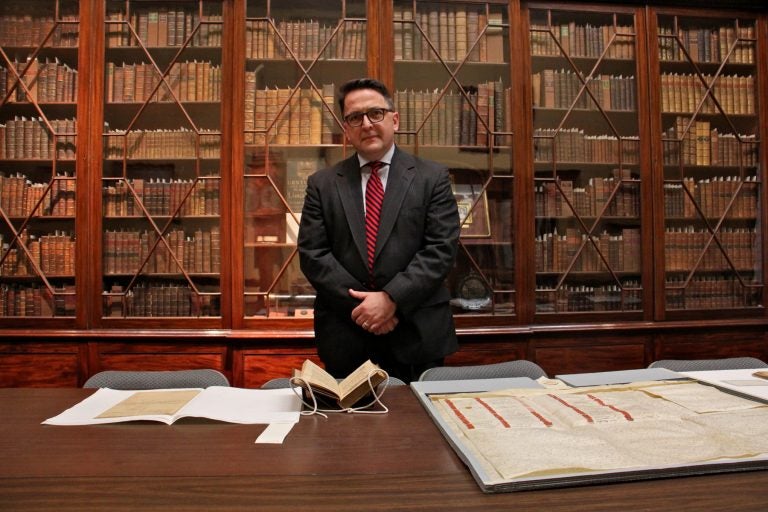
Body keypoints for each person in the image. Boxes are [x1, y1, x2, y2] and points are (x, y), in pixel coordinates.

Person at [297, 78, 460, 383]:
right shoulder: (322, 184)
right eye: (355, 117)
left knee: (422, 429)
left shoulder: (432, 177)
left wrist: (391, 299)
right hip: (347, 336)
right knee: (350, 429)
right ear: (346, 128)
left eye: (376, 113)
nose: (367, 124)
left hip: (416, 334)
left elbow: (440, 249)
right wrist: (365, 308)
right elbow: (313, 254)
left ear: (394, 119)